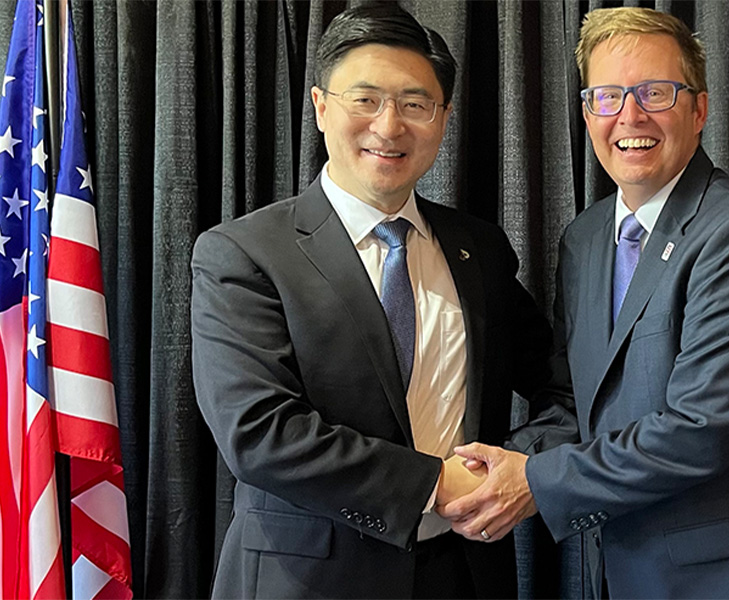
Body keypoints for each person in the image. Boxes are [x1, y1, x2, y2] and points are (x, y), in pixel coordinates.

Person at [439, 7, 729, 599]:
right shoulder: (584, 240)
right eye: (607, 96)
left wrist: (535, 482)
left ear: (699, 109)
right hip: (618, 568)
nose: (630, 116)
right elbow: (575, 397)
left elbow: (702, 428)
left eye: (656, 92)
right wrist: (497, 468)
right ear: (587, 113)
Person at [190, 4, 551, 599]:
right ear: (320, 106)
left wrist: (523, 471)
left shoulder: (478, 248)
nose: (389, 127)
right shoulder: (244, 253)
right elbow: (260, 433)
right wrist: (436, 484)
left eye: (415, 104)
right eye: (365, 99)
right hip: (305, 580)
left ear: (444, 118)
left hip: (464, 574)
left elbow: (558, 380)